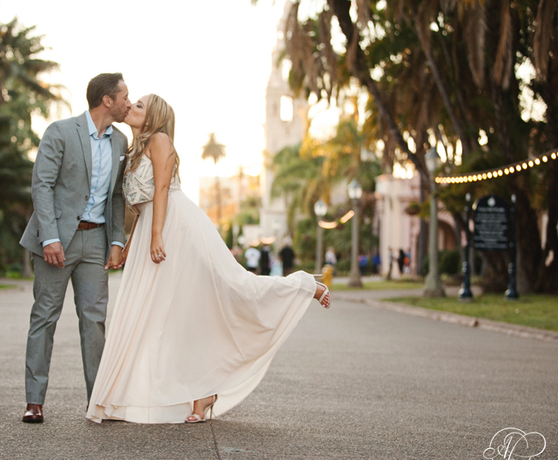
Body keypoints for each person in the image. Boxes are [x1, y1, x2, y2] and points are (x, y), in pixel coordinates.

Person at [86, 94, 331, 425]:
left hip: (177, 227)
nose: (131, 107)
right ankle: (192, 394)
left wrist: (156, 236)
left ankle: (303, 285)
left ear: (154, 116)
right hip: (155, 225)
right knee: (172, 315)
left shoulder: (159, 140)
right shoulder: (133, 150)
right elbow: (141, 207)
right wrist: (132, 245)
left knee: (229, 289)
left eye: (140, 105)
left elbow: (161, 191)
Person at [18, 73, 131, 423]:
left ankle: (96, 401)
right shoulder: (61, 131)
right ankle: (34, 402)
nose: (130, 102)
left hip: (96, 242)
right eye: (125, 96)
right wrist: (50, 237)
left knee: (94, 321)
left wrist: (116, 241)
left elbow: (115, 196)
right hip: (56, 241)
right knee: (45, 318)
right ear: (107, 100)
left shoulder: (120, 142)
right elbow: (43, 186)